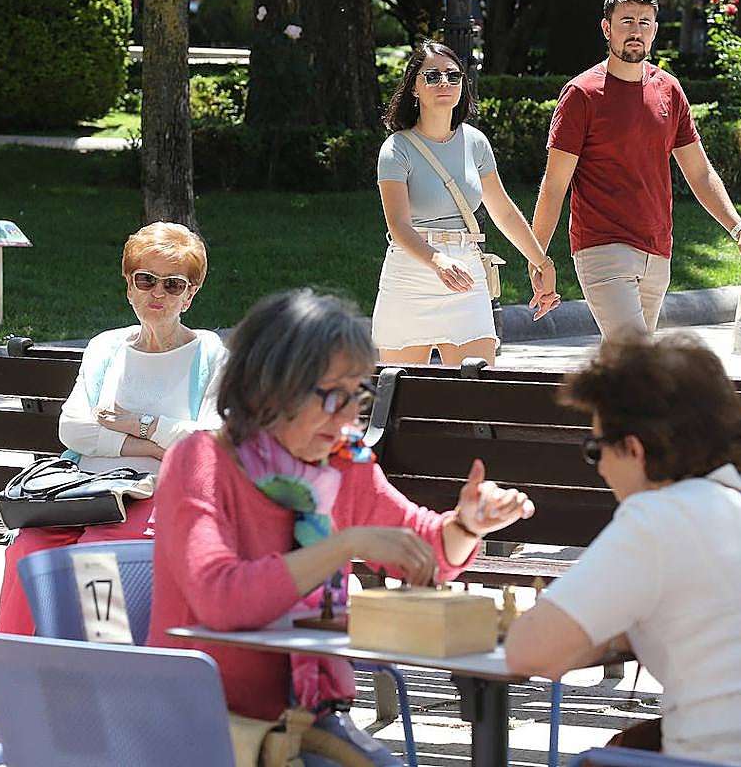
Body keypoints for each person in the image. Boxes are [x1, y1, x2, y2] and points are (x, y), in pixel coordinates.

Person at [147, 289, 536, 765]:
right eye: (333, 396)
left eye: (358, 395)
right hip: (199, 725)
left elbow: (424, 551)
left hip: (308, 719)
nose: (351, 416)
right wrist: (342, 545)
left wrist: (467, 525)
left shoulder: (340, 462)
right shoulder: (201, 461)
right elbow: (221, 599)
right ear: (268, 387)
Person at [505, 333, 741, 767]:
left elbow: (526, 652)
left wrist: (601, 630)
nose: (601, 467)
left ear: (633, 449)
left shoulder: (655, 519)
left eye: (596, 449)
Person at [0, 221, 228, 748]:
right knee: (27, 550)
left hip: (161, 491)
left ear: (191, 293)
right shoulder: (107, 346)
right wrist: (153, 441)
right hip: (86, 488)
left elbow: (209, 439)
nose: (157, 293)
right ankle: (7, 692)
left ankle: (108, 694)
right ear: (129, 284)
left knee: (101, 556)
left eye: (173, 284)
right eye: (146, 279)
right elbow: (74, 429)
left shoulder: (209, 352)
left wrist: (136, 422)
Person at [531, 0, 741, 341]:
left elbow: (700, 173)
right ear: (607, 28)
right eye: (626, 21)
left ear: (655, 30)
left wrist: (740, 230)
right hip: (602, 247)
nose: (635, 31)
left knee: (629, 366)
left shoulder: (669, 90)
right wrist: (538, 258)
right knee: (637, 356)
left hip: (657, 252)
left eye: (644, 22)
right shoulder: (581, 95)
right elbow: (555, 184)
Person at [372, 39, 560, 366]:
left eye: (453, 75)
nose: (444, 82)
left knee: (477, 388)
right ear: (414, 87)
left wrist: (542, 263)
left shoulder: (475, 143)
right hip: (410, 277)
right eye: (432, 76)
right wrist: (438, 262)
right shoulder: (395, 149)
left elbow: (502, 210)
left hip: (466, 274)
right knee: (402, 392)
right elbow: (399, 226)